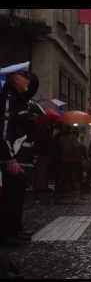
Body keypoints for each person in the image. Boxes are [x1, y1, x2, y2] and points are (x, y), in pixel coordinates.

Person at [0, 69, 40, 246]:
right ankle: (9, 234)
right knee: (11, 198)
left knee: (18, 198)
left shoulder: (21, 100)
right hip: (13, 158)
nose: (28, 83)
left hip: (22, 157)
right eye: (26, 79)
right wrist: (9, 159)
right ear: (15, 79)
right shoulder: (9, 99)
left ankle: (16, 229)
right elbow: (4, 131)